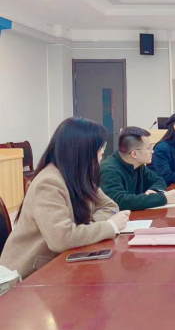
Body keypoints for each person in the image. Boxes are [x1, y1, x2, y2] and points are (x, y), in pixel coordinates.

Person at [0, 118, 130, 279]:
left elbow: (111, 207)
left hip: (63, 263)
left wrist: (86, 226)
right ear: (82, 151)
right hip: (28, 276)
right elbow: (61, 239)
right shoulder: (49, 183)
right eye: (99, 150)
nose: (101, 155)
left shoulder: (78, 176)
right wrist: (109, 226)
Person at [101, 127, 175, 211]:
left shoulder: (138, 166)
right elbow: (120, 202)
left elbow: (159, 180)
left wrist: (153, 191)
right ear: (134, 154)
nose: (152, 151)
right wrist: (163, 198)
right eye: (149, 148)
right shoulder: (109, 170)